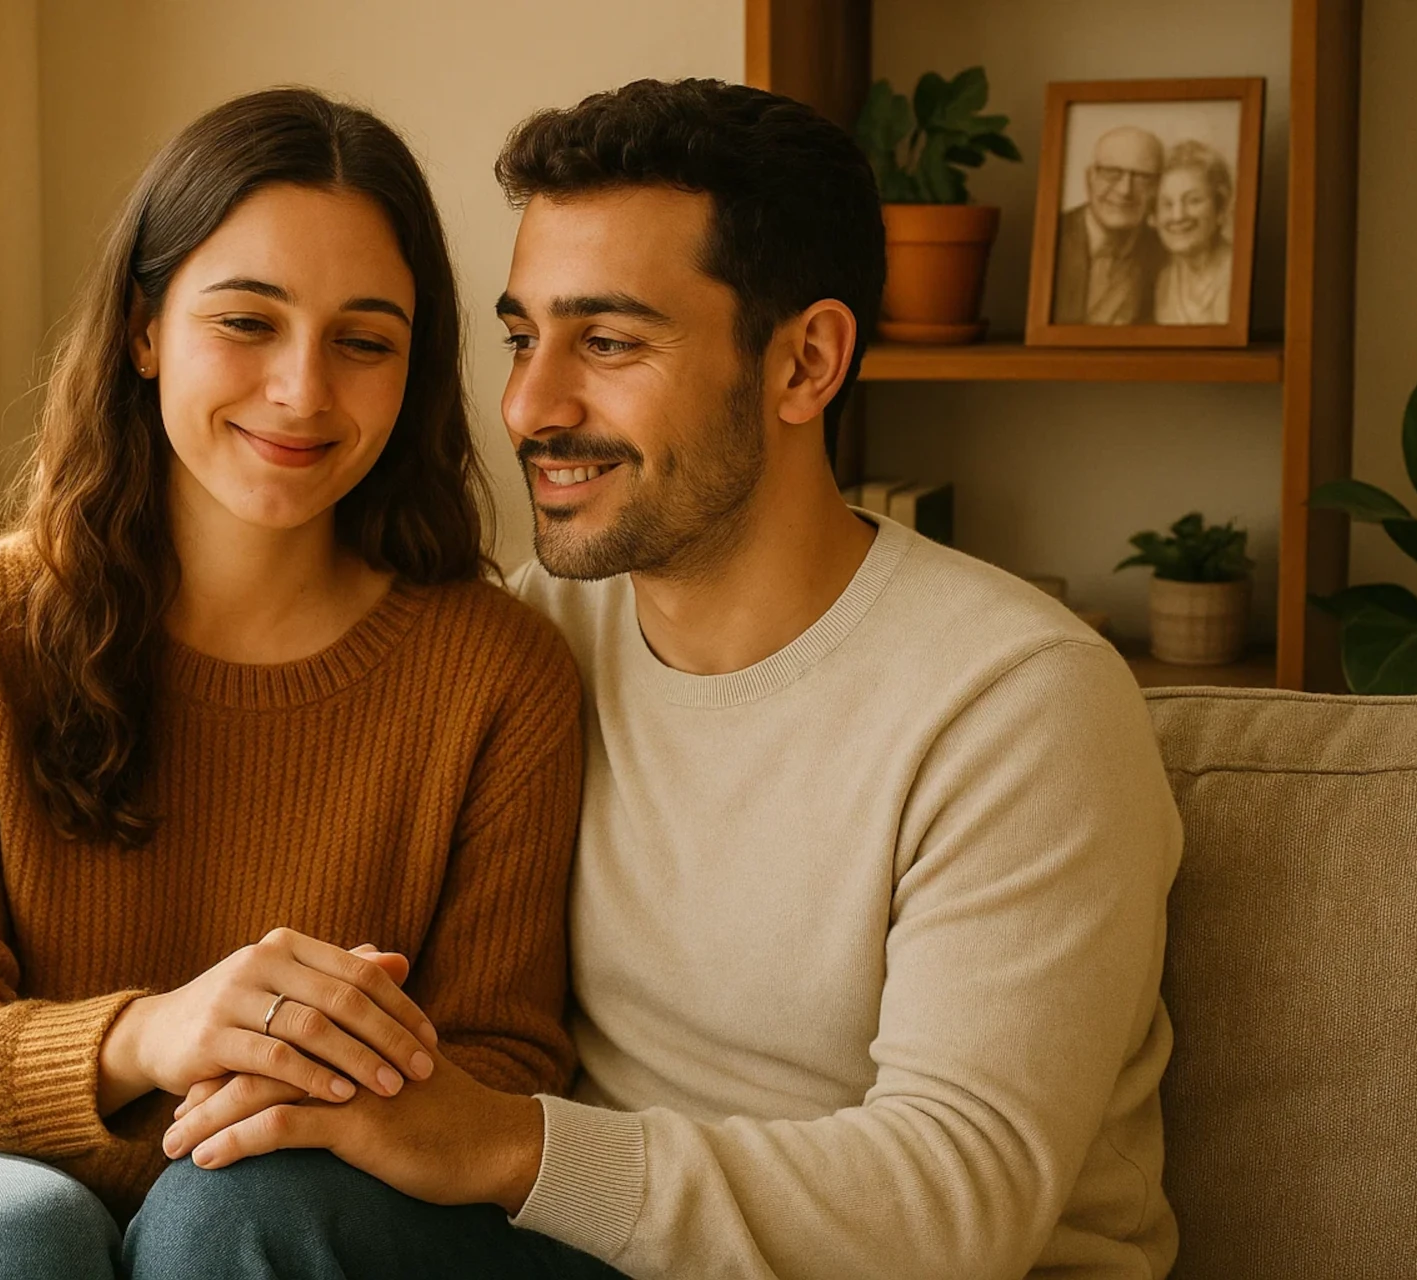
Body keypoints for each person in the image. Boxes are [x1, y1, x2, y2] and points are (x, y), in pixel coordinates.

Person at [147, 78, 1182, 1280]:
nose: (531, 405)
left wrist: (507, 1144)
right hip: (592, 1253)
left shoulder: (1020, 703)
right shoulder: (534, 641)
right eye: (525, 336)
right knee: (233, 1198)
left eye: (609, 341)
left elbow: (957, 1206)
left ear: (806, 363)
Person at [0, 87, 584, 1280]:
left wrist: (313, 1073)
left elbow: (502, 1071)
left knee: (221, 1222)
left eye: (364, 340)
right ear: (145, 329)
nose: (303, 389)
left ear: (410, 373)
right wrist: (161, 1030)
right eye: (248, 321)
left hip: (250, 1198)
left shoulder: (499, 675)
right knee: (25, 1238)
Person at [1052, 124, 1169, 325]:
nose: (1125, 190)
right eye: (1112, 173)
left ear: (1158, 187)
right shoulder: (1051, 236)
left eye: (1142, 178)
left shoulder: (1167, 252)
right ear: (1090, 177)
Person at [1151, 139, 1235, 325]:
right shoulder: (1163, 282)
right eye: (1167, 204)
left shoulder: (1239, 273)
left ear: (1220, 209)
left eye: (1193, 200)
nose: (1178, 216)